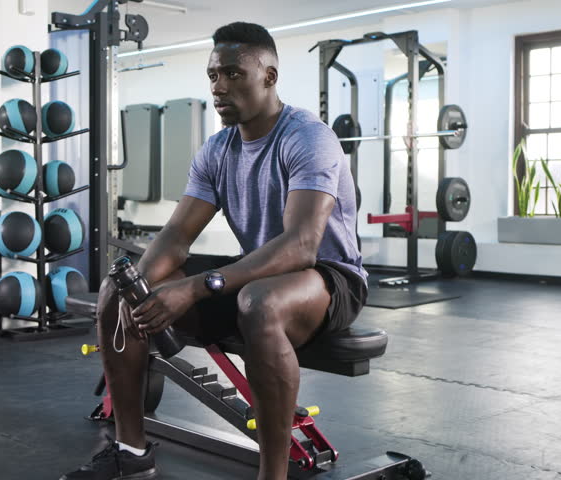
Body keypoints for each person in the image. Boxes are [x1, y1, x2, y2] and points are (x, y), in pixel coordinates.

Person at [61, 21, 368, 480]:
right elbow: (178, 235)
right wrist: (139, 289)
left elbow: (303, 245)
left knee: (260, 302)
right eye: (212, 76)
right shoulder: (217, 150)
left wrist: (198, 288)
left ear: (269, 75)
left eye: (232, 74)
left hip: (327, 279)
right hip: (260, 275)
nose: (219, 87)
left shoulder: (307, 137)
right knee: (115, 290)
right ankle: (131, 451)